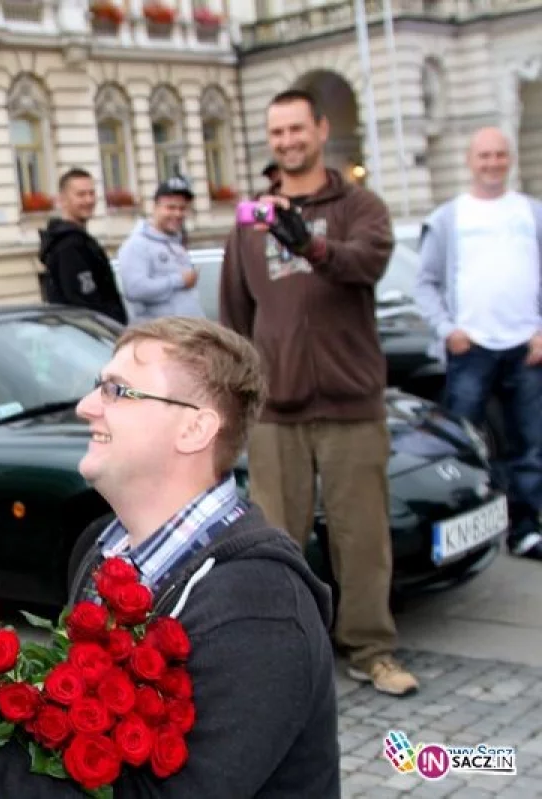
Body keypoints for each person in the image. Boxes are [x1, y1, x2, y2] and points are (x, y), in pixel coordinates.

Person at [0, 317, 340, 797]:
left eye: (118, 391)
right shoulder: (103, 548)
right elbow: (76, 731)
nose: (86, 406)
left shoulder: (260, 609)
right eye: (98, 387)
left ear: (195, 428)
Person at [218, 88, 418, 696]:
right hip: (277, 409)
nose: (286, 141)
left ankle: (371, 650)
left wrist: (309, 243)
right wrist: (237, 395)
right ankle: (287, 655)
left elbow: (365, 263)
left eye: (296, 129)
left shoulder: (360, 205)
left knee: (363, 535)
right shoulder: (250, 222)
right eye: (276, 132)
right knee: (276, 540)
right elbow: (234, 312)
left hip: (351, 402)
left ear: (320, 130)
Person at [415, 127, 542, 561]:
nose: (492, 163)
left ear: (509, 159)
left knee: (530, 445)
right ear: (470, 160)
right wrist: (447, 329)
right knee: (461, 444)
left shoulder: (531, 213)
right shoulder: (451, 217)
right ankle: (463, 531)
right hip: (470, 351)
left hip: (526, 348)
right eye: (484, 155)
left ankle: (525, 529)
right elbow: (425, 283)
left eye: (499, 155)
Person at [39, 168, 128, 324]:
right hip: (93, 338)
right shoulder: (69, 246)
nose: (88, 200)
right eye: (81, 195)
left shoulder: (80, 240)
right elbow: (85, 306)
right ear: (62, 200)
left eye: (92, 193)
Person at [116, 176, 203, 322]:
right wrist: (179, 280)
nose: (177, 214)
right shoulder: (137, 244)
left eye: (182, 208)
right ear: (155, 207)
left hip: (186, 334)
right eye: (171, 208)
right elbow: (135, 289)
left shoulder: (176, 242)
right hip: (160, 336)